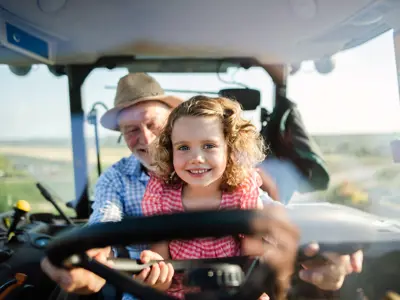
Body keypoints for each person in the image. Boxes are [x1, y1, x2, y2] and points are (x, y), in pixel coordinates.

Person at [40, 72, 363, 299]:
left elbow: (270, 217)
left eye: (152, 124)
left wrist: (321, 242)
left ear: (172, 124)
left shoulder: (236, 180)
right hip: (149, 285)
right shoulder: (120, 180)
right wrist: (86, 259)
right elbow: (103, 228)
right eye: (131, 130)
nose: (147, 138)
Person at [140, 95, 270, 298]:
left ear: (230, 147)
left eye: (209, 145)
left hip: (232, 294)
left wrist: (257, 293)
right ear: (170, 151)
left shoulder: (241, 195)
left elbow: (253, 260)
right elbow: (161, 273)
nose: (196, 158)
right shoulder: (161, 198)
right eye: (183, 147)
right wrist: (155, 273)